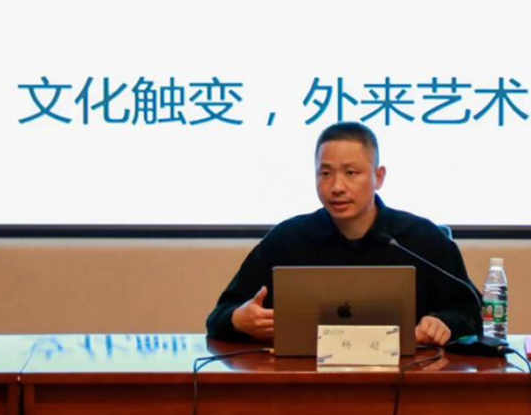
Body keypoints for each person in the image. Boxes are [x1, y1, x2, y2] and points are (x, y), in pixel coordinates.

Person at [205, 121, 481, 346]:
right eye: (325, 174)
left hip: (407, 381)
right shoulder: (287, 239)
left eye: (351, 173)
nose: (336, 187)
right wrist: (237, 320)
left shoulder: (420, 238)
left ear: (378, 177)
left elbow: (472, 312)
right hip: (305, 381)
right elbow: (219, 316)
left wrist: (443, 323)